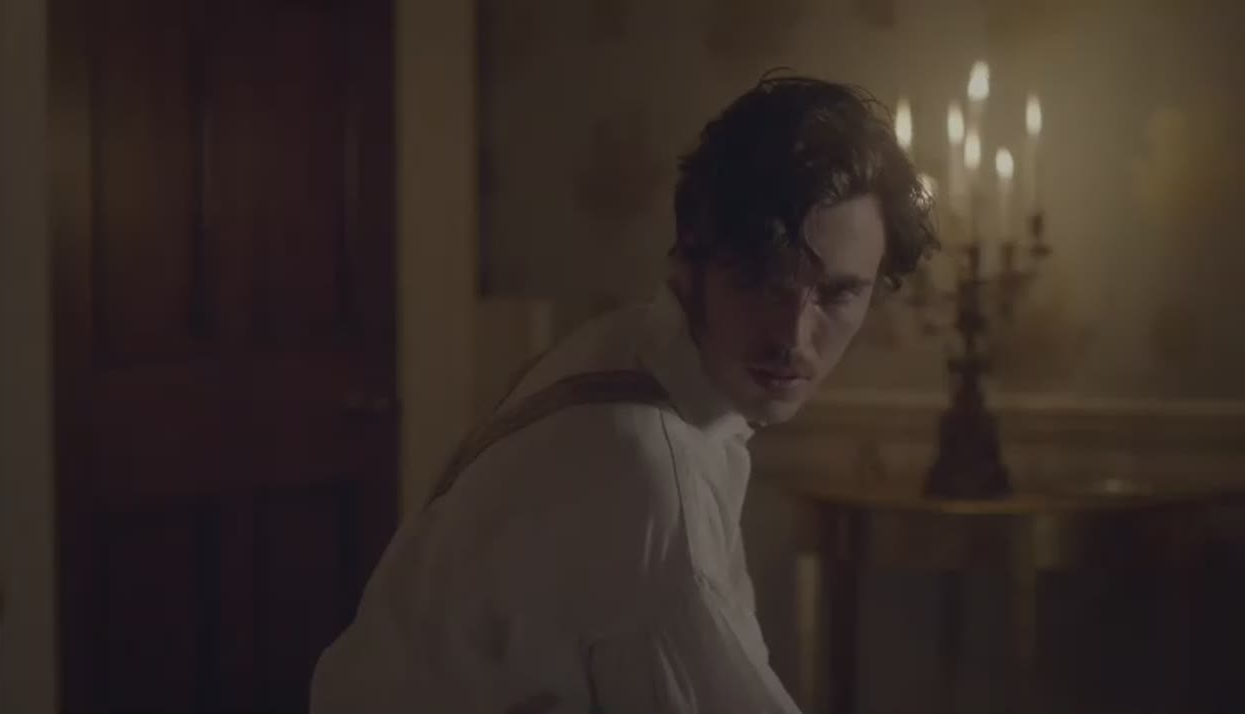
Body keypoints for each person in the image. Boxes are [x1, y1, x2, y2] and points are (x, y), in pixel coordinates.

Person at [310, 74, 937, 714]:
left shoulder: (625, 347)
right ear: (688, 263)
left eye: (838, 293)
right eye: (761, 279)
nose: (793, 337)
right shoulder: (648, 470)